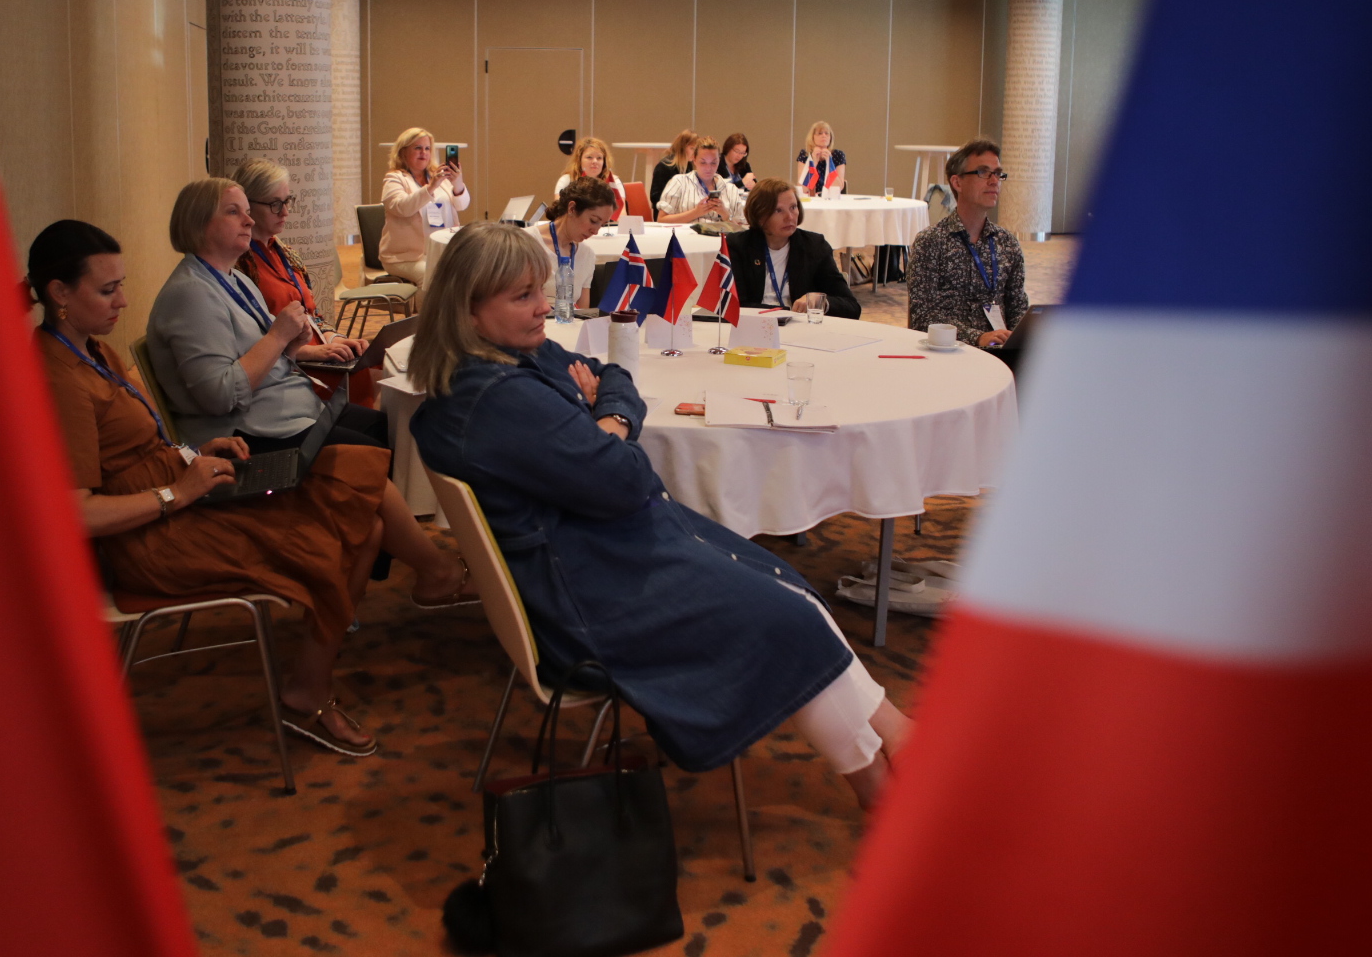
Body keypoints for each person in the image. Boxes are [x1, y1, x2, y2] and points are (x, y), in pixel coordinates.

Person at [408, 224, 912, 808]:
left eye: (540, 289)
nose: (546, 306)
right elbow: (627, 479)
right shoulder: (498, 399)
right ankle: (882, 777)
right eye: (523, 296)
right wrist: (608, 422)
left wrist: (607, 417)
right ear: (468, 313)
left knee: (790, 594)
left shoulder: (506, 359)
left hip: (595, 552)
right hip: (590, 596)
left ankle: (895, 746)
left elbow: (613, 374)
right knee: (786, 614)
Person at [28, 219, 389, 756]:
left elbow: (139, 443)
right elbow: (73, 514)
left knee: (359, 501)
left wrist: (195, 455)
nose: (124, 301)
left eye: (121, 285)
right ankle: (306, 688)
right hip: (148, 538)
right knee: (336, 533)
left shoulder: (90, 348)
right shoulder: (56, 377)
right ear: (59, 292)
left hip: (175, 494)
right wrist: (178, 494)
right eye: (108, 290)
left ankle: (309, 676)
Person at [145, 178, 477, 615]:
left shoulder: (227, 279)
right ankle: (430, 571)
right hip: (240, 442)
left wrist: (294, 341)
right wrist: (280, 335)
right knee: (367, 462)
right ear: (197, 223)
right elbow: (219, 396)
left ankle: (356, 559)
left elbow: (266, 348)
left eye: (248, 209)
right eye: (234, 211)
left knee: (379, 426)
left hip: (280, 415)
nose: (249, 220)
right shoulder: (190, 295)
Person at [232, 158, 379, 409]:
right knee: (364, 379)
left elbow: (313, 315)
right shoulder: (238, 266)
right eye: (275, 204)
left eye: (287, 201)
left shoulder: (284, 252)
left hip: (317, 351)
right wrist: (312, 353)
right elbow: (250, 343)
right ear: (248, 206)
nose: (286, 212)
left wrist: (334, 339)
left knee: (373, 362)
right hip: (289, 368)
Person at [907, 139, 1029, 350]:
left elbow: (1017, 306)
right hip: (950, 353)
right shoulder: (931, 242)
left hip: (1000, 352)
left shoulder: (1007, 243)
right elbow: (922, 316)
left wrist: (1019, 337)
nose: (994, 181)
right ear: (957, 183)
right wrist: (977, 337)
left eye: (998, 173)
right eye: (983, 172)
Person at [726, 179, 860, 319]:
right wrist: (786, 311)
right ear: (760, 216)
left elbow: (852, 307)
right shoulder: (738, 246)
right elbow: (736, 306)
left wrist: (821, 302)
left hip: (802, 329)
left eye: (793, 207)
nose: (789, 217)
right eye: (778, 210)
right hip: (755, 328)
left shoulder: (814, 246)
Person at [379, 127, 470, 284]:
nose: (424, 153)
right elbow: (402, 208)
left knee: (470, 272)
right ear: (403, 152)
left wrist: (457, 182)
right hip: (406, 257)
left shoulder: (438, 177)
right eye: (418, 148)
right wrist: (430, 187)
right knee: (432, 277)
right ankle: (427, 310)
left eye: (427, 148)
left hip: (441, 251)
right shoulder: (394, 178)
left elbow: (462, 205)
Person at [527, 176, 617, 308]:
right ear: (572, 208)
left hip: (568, 326)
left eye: (602, 225)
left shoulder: (586, 255)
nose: (596, 231)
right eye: (593, 220)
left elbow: (582, 313)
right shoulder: (526, 243)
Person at [656, 136, 747, 227]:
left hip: (719, 239)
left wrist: (726, 215)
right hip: (687, 238)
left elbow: (741, 228)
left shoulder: (730, 189)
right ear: (694, 160)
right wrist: (696, 213)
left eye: (713, 163)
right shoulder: (679, 183)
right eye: (703, 162)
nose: (708, 168)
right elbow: (662, 219)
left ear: (719, 161)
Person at [554, 136, 626, 216]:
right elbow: (559, 212)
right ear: (579, 160)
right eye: (589, 157)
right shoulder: (566, 180)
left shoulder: (613, 181)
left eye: (599, 158)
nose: (595, 161)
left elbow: (622, 213)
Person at [648, 128, 700, 209]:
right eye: (692, 148)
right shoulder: (664, 167)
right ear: (682, 147)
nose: (695, 152)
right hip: (666, 214)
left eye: (696, 149)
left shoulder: (689, 166)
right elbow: (655, 197)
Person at [795, 120, 847, 196]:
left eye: (827, 133)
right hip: (811, 198)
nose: (824, 135)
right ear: (812, 137)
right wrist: (814, 161)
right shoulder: (805, 154)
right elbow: (802, 188)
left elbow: (839, 187)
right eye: (820, 133)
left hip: (831, 198)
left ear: (830, 138)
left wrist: (829, 162)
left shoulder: (838, 154)